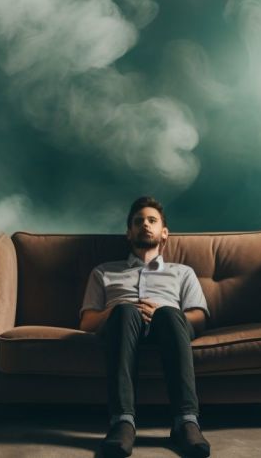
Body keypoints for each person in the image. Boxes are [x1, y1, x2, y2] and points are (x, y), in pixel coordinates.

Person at [79, 196, 212, 458]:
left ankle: (186, 422)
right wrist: (117, 310)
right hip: (121, 328)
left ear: (164, 232)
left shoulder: (182, 272)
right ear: (129, 232)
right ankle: (122, 423)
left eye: (152, 220)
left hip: (169, 328)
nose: (145, 225)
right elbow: (87, 322)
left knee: (170, 315)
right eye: (138, 221)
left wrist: (164, 312)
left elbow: (199, 317)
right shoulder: (104, 271)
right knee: (126, 311)